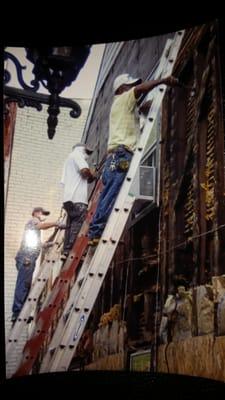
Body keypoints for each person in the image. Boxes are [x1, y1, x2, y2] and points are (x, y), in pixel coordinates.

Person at [88, 73, 179, 245]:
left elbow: (140, 107)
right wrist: (163, 80)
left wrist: (150, 106)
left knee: (113, 191)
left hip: (115, 158)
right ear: (122, 89)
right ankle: (96, 231)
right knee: (113, 191)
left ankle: (100, 231)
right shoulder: (122, 99)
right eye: (129, 86)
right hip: (121, 155)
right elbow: (139, 90)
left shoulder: (123, 107)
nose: (132, 89)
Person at [12, 207, 64, 323]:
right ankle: (17, 312)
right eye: (42, 213)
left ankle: (21, 312)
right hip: (27, 257)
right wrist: (56, 223)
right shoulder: (33, 221)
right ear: (35, 213)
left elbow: (37, 244)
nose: (43, 216)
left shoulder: (33, 232)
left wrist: (49, 244)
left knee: (25, 284)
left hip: (28, 257)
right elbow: (40, 225)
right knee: (23, 284)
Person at [60, 143, 95, 259]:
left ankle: (66, 251)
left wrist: (89, 177)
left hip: (68, 199)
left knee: (70, 226)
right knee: (78, 225)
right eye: (87, 152)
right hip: (78, 199)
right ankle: (72, 252)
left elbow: (83, 177)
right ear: (82, 150)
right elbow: (85, 171)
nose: (87, 156)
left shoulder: (68, 159)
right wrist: (92, 175)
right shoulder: (78, 155)